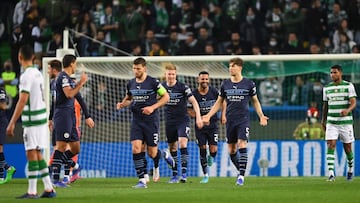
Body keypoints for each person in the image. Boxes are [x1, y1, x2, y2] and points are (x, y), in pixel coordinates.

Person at [202, 57, 268, 186]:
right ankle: (241, 170)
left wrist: (261, 115)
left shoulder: (249, 84)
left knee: (242, 144)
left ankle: (241, 177)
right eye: (229, 66)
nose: (230, 68)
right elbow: (218, 103)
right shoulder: (225, 84)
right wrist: (209, 115)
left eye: (233, 66)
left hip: (243, 120)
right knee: (232, 151)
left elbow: (255, 101)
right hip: (230, 121)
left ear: (240, 67)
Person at [6, 44, 56, 198]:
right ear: (33, 57)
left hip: (32, 120)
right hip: (41, 117)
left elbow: (22, 100)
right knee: (37, 153)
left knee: (30, 153)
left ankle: (32, 191)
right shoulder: (38, 73)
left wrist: (12, 122)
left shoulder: (26, 75)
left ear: (19, 58)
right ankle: (48, 188)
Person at [116, 57, 174, 188]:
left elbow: (166, 97)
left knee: (152, 153)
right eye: (134, 68)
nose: (136, 71)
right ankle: (142, 179)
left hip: (151, 121)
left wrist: (152, 107)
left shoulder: (153, 82)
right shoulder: (130, 83)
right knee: (136, 148)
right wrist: (121, 104)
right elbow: (129, 98)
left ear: (144, 68)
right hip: (136, 120)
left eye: (138, 68)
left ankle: (163, 153)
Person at [50, 54, 95, 187]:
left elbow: (79, 97)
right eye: (75, 64)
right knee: (61, 146)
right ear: (71, 63)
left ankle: (68, 166)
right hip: (62, 115)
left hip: (71, 116)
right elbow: (69, 94)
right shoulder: (63, 77)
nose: (76, 66)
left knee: (75, 148)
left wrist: (87, 116)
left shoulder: (69, 79)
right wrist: (81, 82)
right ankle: (56, 178)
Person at [162, 64, 203, 184]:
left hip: (182, 120)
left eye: (173, 74)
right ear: (165, 75)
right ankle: (174, 175)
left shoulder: (183, 87)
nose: (171, 76)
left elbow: (194, 102)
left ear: (176, 75)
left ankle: (184, 174)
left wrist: (198, 118)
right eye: (169, 74)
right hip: (169, 121)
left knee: (182, 143)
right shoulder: (162, 87)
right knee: (172, 147)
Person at [188, 71, 225, 184]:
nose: (204, 81)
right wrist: (202, 119)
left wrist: (223, 115)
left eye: (206, 79)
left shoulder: (214, 91)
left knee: (213, 149)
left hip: (213, 125)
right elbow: (189, 110)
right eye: (202, 79)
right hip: (200, 126)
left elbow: (223, 102)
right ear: (198, 80)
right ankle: (205, 175)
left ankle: (212, 156)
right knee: (202, 148)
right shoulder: (193, 94)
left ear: (209, 80)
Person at [321, 64, 357, 181]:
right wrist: (323, 120)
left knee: (348, 149)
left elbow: (353, 102)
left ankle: (350, 168)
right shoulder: (327, 88)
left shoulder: (348, 86)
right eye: (331, 73)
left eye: (335, 72)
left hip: (346, 123)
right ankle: (331, 174)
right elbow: (325, 106)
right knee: (331, 144)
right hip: (332, 122)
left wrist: (348, 110)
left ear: (340, 73)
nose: (332, 75)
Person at [0, 88, 16, 184]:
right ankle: (1, 176)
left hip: (1, 122)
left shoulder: (1, 91)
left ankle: (8, 168)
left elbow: (3, 105)